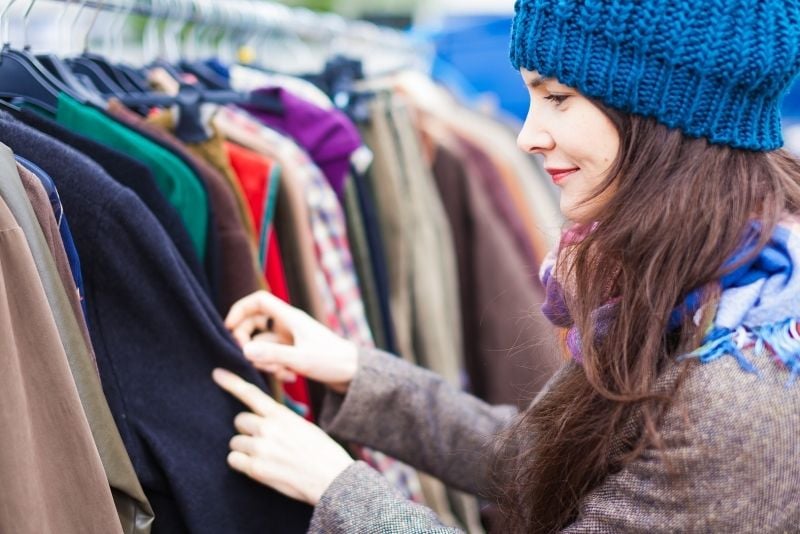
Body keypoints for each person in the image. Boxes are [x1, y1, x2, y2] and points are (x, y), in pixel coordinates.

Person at [212, 0, 800, 532]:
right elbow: (551, 464)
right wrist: (356, 372)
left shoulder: (739, 389)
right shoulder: (690, 286)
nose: (526, 135)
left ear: (658, 105)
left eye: (557, 98)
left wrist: (338, 492)